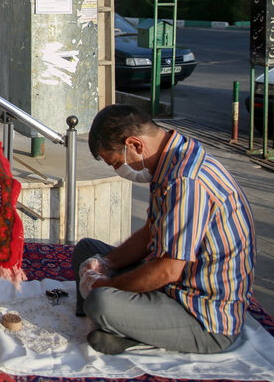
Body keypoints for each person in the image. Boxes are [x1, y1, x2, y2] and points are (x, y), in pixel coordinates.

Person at [73, 104, 255, 355]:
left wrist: (108, 285)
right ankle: (122, 323)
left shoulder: (184, 181)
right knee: (87, 251)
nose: (118, 170)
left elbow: (168, 269)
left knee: (101, 301)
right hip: (172, 285)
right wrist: (105, 262)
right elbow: (151, 232)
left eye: (116, 163)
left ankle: (125, 326)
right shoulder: (170, 159)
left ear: (135, 145)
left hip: (203, 317)